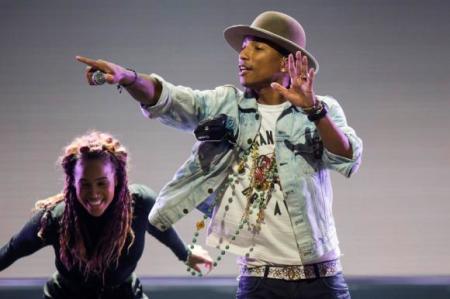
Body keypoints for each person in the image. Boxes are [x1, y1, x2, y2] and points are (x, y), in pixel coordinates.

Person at [76, 10, 362, 299]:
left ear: (287, 62)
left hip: (323, 279)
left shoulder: (321, 109)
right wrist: (129, 78)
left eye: (257, 48)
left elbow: (347, 158)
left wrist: (314, 110)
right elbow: (172, 99)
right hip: (260, 281)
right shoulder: (227, 105)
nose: (243, 55)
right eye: (243, 47)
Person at [0, 131, 212, 299]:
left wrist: (185, 253)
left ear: (117, 180)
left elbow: (159, 226)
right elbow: (12, 249)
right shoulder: (56, 218)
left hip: (124, 294)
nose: (93, 193)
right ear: (73, 184)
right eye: (85, 184)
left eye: (102, 183)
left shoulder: (138, 205)